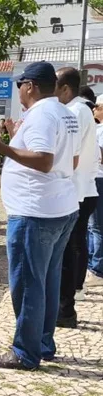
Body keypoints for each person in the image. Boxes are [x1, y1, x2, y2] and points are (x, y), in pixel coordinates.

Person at [0, 61, 79, 370]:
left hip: (36, 212)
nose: (18, 90)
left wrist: (0, 146)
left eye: (20, 85)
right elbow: (61, 156)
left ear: (30, 85)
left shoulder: (43, 114)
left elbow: (44, 160)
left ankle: (26, 352)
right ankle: (42, 343)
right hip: (58, 206)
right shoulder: (61, 112)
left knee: (29, 283)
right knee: (46, 281)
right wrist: (16, 137)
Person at [54, 67, 99, 329]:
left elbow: (70, 155)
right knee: (72, 249)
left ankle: (66, 309)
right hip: (81, 189)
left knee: (69, 252)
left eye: (55, 87)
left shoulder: (75, 112)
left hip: (78, 191)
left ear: (66, 89)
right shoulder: (81, 111)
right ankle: (66, 305)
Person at [89, 102, 103, 286]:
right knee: (93, 227)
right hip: (96, 178)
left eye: (98, 106)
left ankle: (97, 270)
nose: (94, 109)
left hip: (99, 178)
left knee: (97, 226)